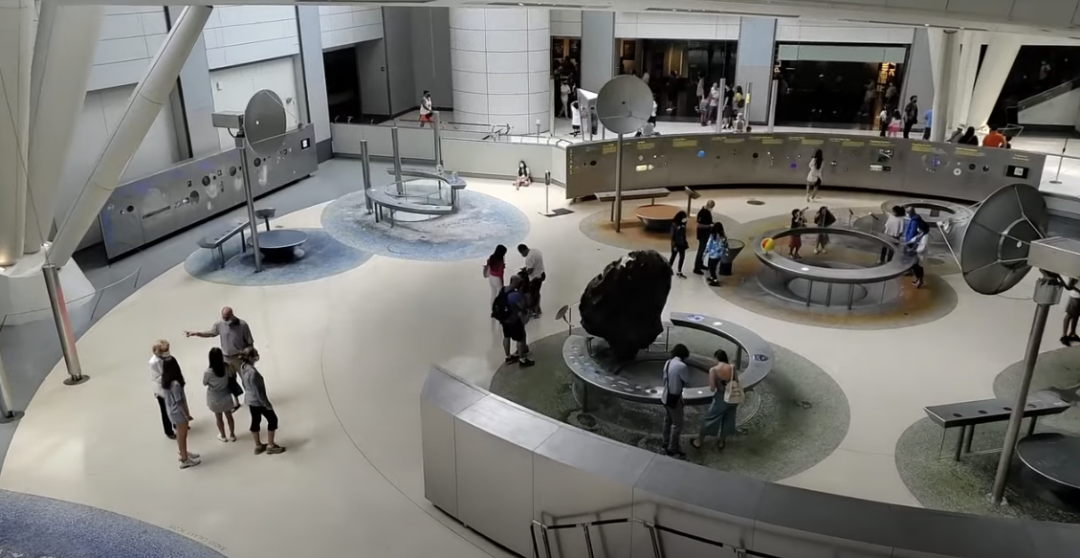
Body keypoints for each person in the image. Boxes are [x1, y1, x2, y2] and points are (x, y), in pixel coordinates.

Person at [238, 347, 286, 455]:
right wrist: (267, 404)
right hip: (258, 401)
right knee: (272, 419)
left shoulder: (243, 367)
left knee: (256, 421)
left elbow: (245, 384)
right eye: (255, 355)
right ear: (250, 358)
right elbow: (258, 392)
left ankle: (258, 445)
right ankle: (271, 445)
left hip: (250, 399)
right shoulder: (253, 373)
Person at [185, 307, 255, 375]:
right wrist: (196, 333)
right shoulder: (219, 324)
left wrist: (249, 357)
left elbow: (250, 342)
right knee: (230, 381)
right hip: (226, 358)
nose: (225, 319)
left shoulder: (242, 325)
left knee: (246, 379)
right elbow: (211, 333)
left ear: (232, 315)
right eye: (224, 317)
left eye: (227, 317)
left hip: (239, 358)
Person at [690, 350, 737, 451]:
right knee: (728, 419)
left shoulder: (714, 370)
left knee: (710, 419)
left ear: (716, 358)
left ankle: (699, 441)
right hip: (733, 398)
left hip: (721, 397)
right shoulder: (732, 367)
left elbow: (712, 387)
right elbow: (736, 381)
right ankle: (721, 441)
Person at [161, 355, 199, 469]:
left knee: (179, 434)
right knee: (182, 435)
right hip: (179, 412)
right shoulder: (176, 384)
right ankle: (185, 458)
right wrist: (187, 415)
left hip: (171, 411)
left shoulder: (165, 381)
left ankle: (184, 453)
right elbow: (180, 401)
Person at [493, 275, 534, 367]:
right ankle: (522, 359)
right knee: (520, 338)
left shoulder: (503, 290)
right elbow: (523, 307)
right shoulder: (515, 295)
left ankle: (508, 357)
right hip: (514, 320)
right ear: (517, 283)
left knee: (506, 337)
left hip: (504, 319)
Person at [660, 344, 690, 459]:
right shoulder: (682, 366)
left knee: (668, 420)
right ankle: (672, 448)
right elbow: (686, 380)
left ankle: (665, 442)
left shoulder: (668, 362)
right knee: (677, 423)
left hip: (665, 396)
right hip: (674, 399)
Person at [204, 347, 237, 443]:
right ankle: (232, 434)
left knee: (218, 417)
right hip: (226, 395)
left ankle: (223, 435)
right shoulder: (226, 367)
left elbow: (205, 383)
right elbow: (231, 376)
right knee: (229, 416)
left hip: (215, 397)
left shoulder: (208, 372)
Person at [149, 340, 176, 440]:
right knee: (165, 410)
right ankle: (168, 431)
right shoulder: (154, 363)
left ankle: (176, 423)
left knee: (174, 406)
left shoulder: (165, 358)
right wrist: (169, 377)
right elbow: (157, 377)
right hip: (161, 389)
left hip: (170, 385)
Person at [518, 244, 545, 318]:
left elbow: (530, 270)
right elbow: (536, 264)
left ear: (523, 250)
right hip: (541, 274)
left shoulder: (529, 258)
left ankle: (536, 311)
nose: (522, 255)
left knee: (533, 295)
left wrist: (525, 272)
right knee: (537, 293)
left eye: (521, 253)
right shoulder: (536, 251)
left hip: (534, 278)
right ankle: (537, 309)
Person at [693, 200, 716, 275]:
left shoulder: (708, 212)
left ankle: (701, 264)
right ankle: (696, 268)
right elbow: (699, 225)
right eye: (711, 207)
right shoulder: (701, 213)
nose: (711, 209)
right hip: (702, 234)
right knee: (701, 250)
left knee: (703, 250)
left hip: (706, 233)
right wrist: (709, 226)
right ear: (708, 205)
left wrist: (712, 224)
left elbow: (708, 221)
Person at [908, 220, 931, 289]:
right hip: (917, 254)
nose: (917, 229)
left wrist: (915, 251)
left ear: (921, 229)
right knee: (916, 268)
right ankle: (918, 280)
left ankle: (920, 282)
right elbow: (914, 239)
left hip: (920, 255)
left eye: (918, 228)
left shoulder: (925, 237)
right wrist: (907, 243)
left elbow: (923, 247)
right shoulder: (920, 234)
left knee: (919, 269)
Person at [669, 211, 689, 279]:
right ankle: (668, 269)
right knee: (673, 257)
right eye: (684, 217)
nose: (685, 219)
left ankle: (679, 271)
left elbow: (684, 234)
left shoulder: (684, 224)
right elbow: (672, 236)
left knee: (682, 257)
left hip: (682, 243)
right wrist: (673, 245)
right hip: (676, 243)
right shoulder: (674, 225)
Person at [1062, 278, 1080, 346]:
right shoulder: (1076, 272)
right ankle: (1064, 335)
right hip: (1075, 296)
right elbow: (1069, 286)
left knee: (1076, 315)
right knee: (1069, 315)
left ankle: (1073, 333)